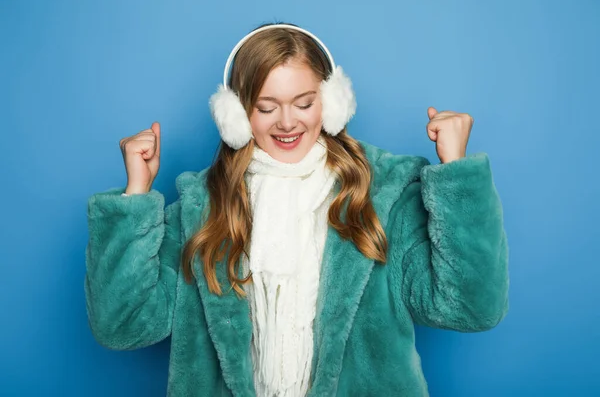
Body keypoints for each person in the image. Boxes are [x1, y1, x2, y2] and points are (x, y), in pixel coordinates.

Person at [84, 23, 509, 397]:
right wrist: (136, 195)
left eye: (303, 103)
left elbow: (471, 308)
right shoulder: (203, 208)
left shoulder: (384, 195)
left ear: (332, 102)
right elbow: (123, 326)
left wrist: (455, 172)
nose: (286, 122)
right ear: (235, 114)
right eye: (266, 108)